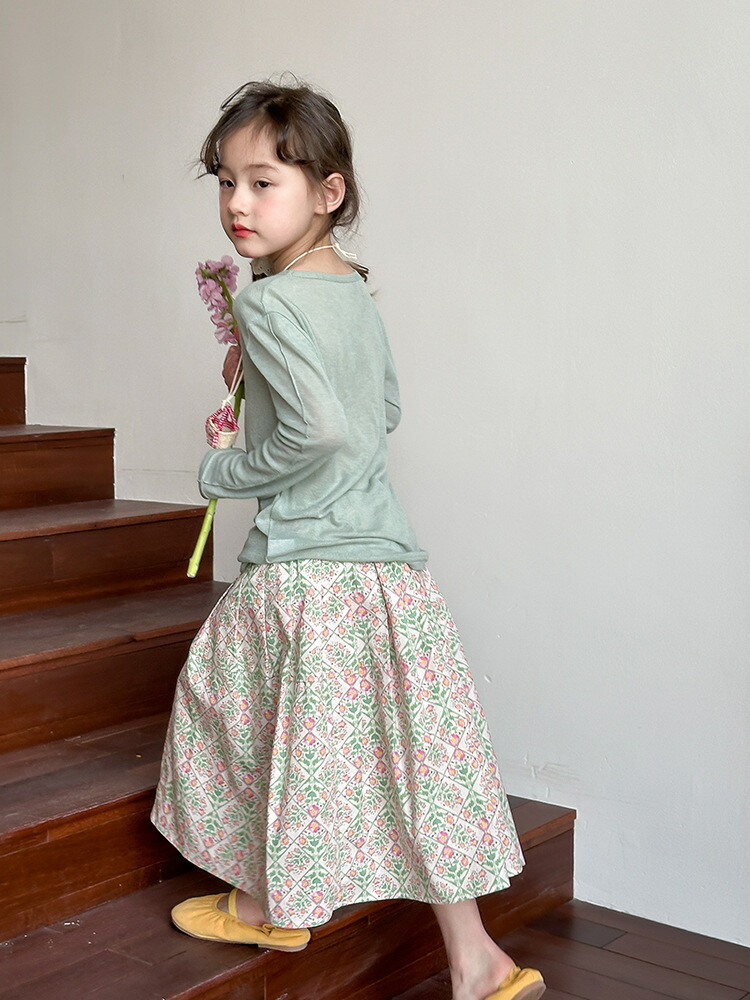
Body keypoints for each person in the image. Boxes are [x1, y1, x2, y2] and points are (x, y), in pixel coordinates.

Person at [151, 78, 545, 1000]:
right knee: (410, 759)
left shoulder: (267, 304)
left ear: (328, 192)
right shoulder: (353, 292)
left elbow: (324, 432)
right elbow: (382, 412)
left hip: (305, 572)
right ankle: (478, 961)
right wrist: (265, 390)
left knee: (231, 717)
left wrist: (223, 471)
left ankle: (267, 904)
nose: (237, 204)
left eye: (263, 183)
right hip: (386, 573)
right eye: (226, 182)